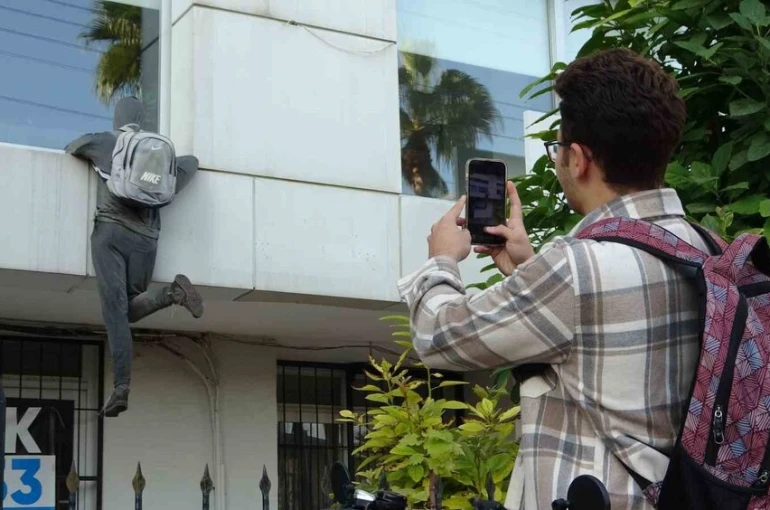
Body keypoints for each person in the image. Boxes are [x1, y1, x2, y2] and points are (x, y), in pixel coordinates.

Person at [397, 48, 700, 509]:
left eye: (557, 149)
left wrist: (441, 261)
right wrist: (526, 267)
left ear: (578, 158)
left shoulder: (577, 269)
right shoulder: (706, 250)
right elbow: (600, 348)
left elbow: (439, 337)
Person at [65, 97, 204, 418]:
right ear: (141, 121)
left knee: (116, 310)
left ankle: (122, 386)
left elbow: (73, 146)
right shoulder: (159, 156)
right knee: (127, 309)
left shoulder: (106, 141)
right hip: (147, 240)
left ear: (118, 118)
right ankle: (173, 293)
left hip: (110, 233)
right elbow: (192, 163)